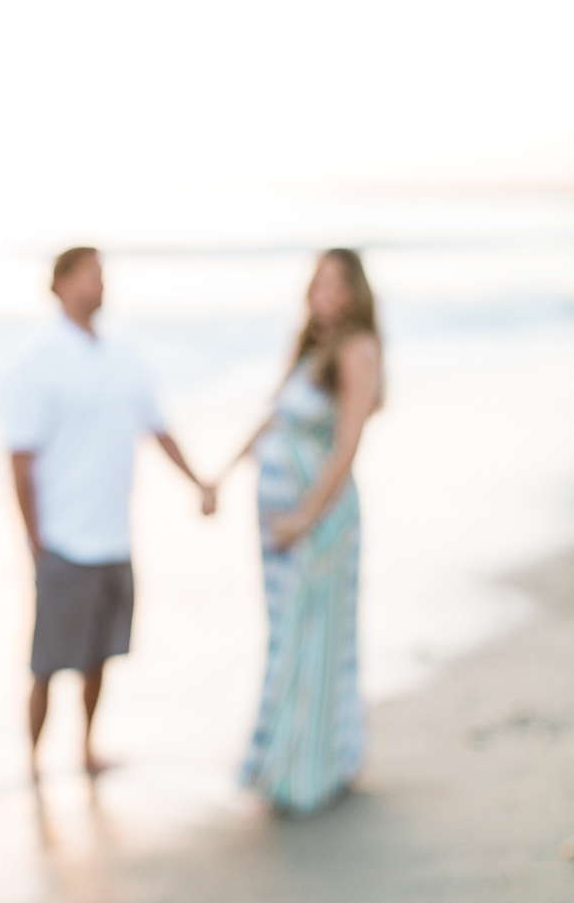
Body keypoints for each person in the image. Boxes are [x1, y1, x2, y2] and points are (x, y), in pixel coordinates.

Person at [4, 246, 216, 782]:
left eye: (102, 275)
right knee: (49, 660)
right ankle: (32, 761)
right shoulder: (38, 363)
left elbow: (158, 428)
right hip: (63, 540)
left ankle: (87, 747)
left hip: (114, 537)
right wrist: (35, 540)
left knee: (101, 653)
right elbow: (20, 458)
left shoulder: (124, 357)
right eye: (89, 276)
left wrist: (198, 483)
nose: (99, 285)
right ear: (60, 286)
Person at [223, 248, 382, 814]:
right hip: (282, 526)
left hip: (319, 524)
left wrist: (305, 517)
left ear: (356, 292)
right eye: (318, 284)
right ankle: (289, 760)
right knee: (288, 636)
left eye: (336, 286)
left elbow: (347, 445)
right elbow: (274, 417)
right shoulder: (311, 346)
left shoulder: (358, 350)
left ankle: (309, 770)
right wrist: (221, 473)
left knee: (310, 637)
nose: (325, 295)